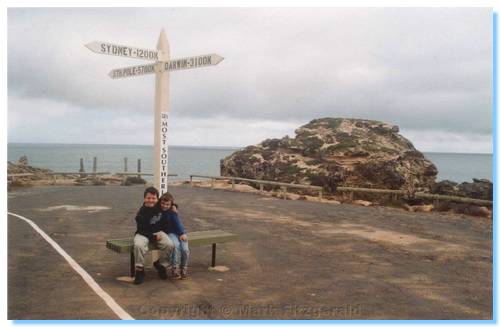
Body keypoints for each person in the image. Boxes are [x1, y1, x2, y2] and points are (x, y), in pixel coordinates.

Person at [133, 187, 174, 284]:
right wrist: (153, 237)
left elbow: (168, 202)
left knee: (170, 245)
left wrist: (174, 206)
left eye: (153, 198)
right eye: (148, 198)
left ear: (157, 199)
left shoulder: (159, 205)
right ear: (144, 198)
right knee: (138, 245)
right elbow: (141, 230)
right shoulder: (141, 212)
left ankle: (161, 265)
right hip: (143, 233)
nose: (151, 200)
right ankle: (140, 271)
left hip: (157, 232)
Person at [159, 192, 190, 280]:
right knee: (176, 246)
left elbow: (177, 223)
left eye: (167, 204)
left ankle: (183, 269)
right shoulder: (159, 210)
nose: (165, 206)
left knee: (185, 249)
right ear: (160, 202)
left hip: (181, 232)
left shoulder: (172, 211)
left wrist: (182, 233)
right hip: (170, 233)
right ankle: (175, 268)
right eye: (163, 203)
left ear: (171, 204)